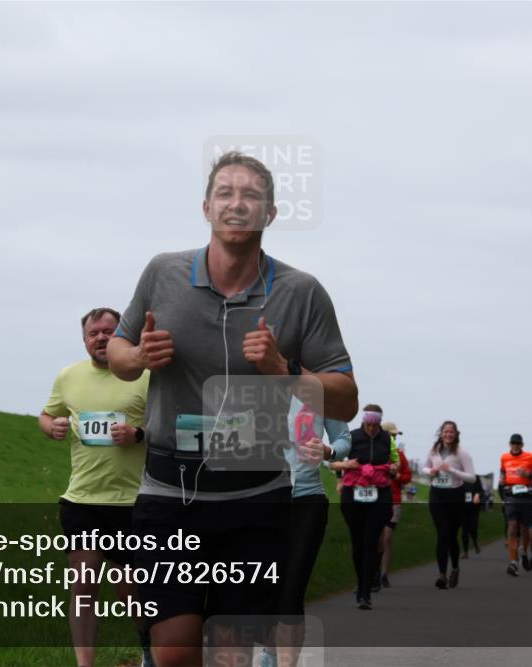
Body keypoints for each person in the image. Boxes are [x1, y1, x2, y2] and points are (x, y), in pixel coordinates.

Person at [107, 151, 358, 667]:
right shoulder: (162, 273)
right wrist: (137, 356)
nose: (236, 204)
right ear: (206, 207)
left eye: (251, 195)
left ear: (271, 213)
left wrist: (284, 371)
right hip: (170, 490)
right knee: (174, 647)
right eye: (225, 193)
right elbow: (117, 352)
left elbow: (347, 398)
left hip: (254, 491)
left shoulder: (301, 292)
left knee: (231, 653)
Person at [38, 307, 151, 667]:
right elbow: (48, 414)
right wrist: (51, 426)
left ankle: (149, 652)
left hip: (133, 502)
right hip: (83, 499)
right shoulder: (69, 376)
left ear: (123, 336)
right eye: (93, 333)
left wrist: (138, 434)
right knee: (83, 588)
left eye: (108, 331)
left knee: (132, 593)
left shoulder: (147, 376)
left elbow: (170, 427)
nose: (100, 338)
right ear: (85, 340)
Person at [259, 396, 351, 667]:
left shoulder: (320, 392)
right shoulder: (254, 389)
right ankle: (270, 652)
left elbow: (343, 440)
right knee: (265, 589)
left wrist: (327, 450)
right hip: (261, 500)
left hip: (306, 501)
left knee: (291, 592)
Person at [332, 406, 394, 609]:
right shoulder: (351, 437)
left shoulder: (387, 439)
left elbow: (395, 464)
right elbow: (332, 463)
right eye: (369, 422)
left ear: (379, 422)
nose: (372, 426)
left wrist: (393, 468)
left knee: (372, 541)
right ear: (363, 420)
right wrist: (345, 465)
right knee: (358, 542)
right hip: (354, 494)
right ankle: (361, 584)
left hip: (379, 494)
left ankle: (366, 591)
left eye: (375, 423)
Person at [422, 421, 476, 589]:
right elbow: (424, 468)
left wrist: (452, 470)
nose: (448, 434)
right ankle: (442, 575)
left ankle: (455, 568)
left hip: (455, 495)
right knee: (442, 534)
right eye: (446, 431)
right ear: (441, 433)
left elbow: (471, 477)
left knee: (451, 536)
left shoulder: (461, 453)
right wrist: (431, 471)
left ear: (456, 434)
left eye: (451, 432)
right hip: (437, 494)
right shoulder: (434, 450)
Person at [499, 433, 532, 577]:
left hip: (526, 497)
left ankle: (523, 549)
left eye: (518, 444)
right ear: (510, 444)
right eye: (513, 443)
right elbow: (502, 472)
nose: (515, 446)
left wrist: (528, 475)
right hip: (511, 496)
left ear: (522, 445)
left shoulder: (529, 457)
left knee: (524, 528)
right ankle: (513, 562)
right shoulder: (504, 457)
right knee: (512, 528)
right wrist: (502, 479)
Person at [377, 421, 411, 588]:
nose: (394, 438)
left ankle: (384, 573)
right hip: (374, 499)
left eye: (395, 435)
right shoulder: (373, 452)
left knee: (387, 538)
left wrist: (397, 477)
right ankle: (372, 573)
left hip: (394, 500)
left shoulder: (399, 454)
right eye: (391, 435)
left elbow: (407, 476)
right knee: (376, 538)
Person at [460, 475, 484, 558]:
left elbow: (481, 491)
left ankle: (475, 541)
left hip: (473, 507)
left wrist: (477, 495)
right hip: (462, 507)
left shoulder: (475, 477)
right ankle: (465, 552)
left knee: (473, 528)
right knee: (464, 530)